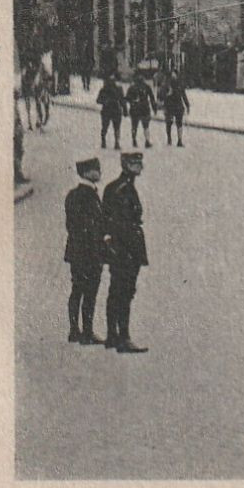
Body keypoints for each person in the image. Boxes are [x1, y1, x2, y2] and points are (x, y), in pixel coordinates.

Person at [101, 151, 149, 353]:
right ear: (125, 165)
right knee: (124, 291)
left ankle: (113, 335)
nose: (140, 167)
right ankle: (123, 337)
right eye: (135, 164)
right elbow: (119, 223)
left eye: (139, 163)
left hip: (120, 248)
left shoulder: (118, 187)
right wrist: (127, 251)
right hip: (126, 249)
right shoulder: (123, 190)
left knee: (116, 291)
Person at [64, 157, 106, 345]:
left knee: (78, 290)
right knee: (87, 292)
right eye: (96, 169)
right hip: (88, 253)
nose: (99, 172)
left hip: (78, 252)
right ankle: (84, 331)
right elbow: (80, 225)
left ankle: (76, 331)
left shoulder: (78, 194)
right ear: (86, 173)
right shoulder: (85, 195)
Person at [125, 72, 157, 149]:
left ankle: (134, 140)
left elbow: (127, 98)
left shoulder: (132, 87)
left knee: (134, 126)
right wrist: (154, 108)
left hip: (135, 109)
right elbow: (152, 98)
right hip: (144, 109)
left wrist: (132, 102)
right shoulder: (146, 87)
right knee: (146, 126)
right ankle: (147, 141)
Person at [159, 71, 191, 147]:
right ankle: (170, 139)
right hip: (171, 106)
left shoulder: (176, 85)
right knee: (170, 123)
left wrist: (187, 105)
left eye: (175, 75)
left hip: (175, 106)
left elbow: (183, 95)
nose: (174, 77)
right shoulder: (167, 85)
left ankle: (178, 140)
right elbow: (161, 96)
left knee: (177, 123)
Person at [96, 72, 126, 149]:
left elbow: (98, 100)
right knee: (115, 127)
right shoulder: (114, 89)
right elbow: (122, 100)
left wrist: (104, 101)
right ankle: (114, 142)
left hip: (109, 110)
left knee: (107, 127)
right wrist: (125, 109)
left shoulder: (104, 89)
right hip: (113, 110)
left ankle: (108, 141)